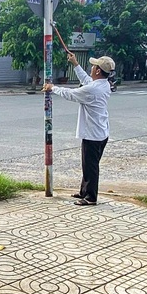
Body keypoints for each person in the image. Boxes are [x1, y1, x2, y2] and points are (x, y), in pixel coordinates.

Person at [42, 52, 114, 206]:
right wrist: (75, 64)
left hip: (93, 134)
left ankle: (90, 197)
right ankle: (84, 191)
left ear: (98, 71)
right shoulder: (103, 84)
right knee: (88, 164)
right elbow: (87, 81)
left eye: (93, 66)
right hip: (99, 132)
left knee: (91, 166)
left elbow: (71, 94)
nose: (91, 68)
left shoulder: (94, 90)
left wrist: (52, 87)